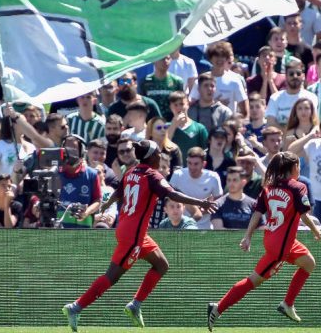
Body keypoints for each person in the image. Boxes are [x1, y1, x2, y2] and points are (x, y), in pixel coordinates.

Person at [63, 140, 217, 332]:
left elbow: (116, 195)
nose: (160, 156)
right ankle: (76, 307)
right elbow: (173, 195)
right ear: (152, 157)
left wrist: (97, 209)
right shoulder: (152, 175)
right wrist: (200, 202)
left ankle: (135, 305)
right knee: (112, 276)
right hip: (133, 235)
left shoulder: (131, 171)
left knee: (161, 265)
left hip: (130, 230)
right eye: (158, 153)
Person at [207, 152, 321, 331]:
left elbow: (257, 213)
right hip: (281, 246)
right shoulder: (298, 187)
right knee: (253, 281)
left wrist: (248, 236)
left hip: (275, 238)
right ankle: (218, 307)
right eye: (298, 165)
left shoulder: (268, 188)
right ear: (292, 168)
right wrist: (316, 230)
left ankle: (288, 304)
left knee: (309, 263)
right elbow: (304, 214)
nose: (299, 169)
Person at [170, 147, 223, 229]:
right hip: (179, 227)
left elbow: (218, 202)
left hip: (204, 228)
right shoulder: (178, 175)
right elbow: (169, 200)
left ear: (204, 164)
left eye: (196, 164)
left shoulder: (213, 177)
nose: (192, 167)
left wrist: (202, 210)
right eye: (189, 163)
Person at [266, 59, 319, 129]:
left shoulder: (311, 97)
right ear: (286, 76)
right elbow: (270, 124)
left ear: (303, 76)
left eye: (298, 73)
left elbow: (314, 122)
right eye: (291, 74)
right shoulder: (275, 98)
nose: (295, 76)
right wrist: (289, 134)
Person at [166, 91, 208, 166]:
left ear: (187, 104)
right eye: (175, 105)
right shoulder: (164, 127)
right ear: (170, 107)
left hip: (193, 170)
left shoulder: (199, 128)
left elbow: (205, 152)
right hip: (172, 169)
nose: (179, 108)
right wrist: (173, 125)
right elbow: (163, 145)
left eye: (182, 104)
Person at [139, 55, 183, 120]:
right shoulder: (145, 81)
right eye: (162, 58)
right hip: (151, 122)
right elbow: (141, 103)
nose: (165, 61)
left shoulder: (177, 81)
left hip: (172, 122)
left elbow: (181, 103)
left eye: (168, 58)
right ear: (154, 61)